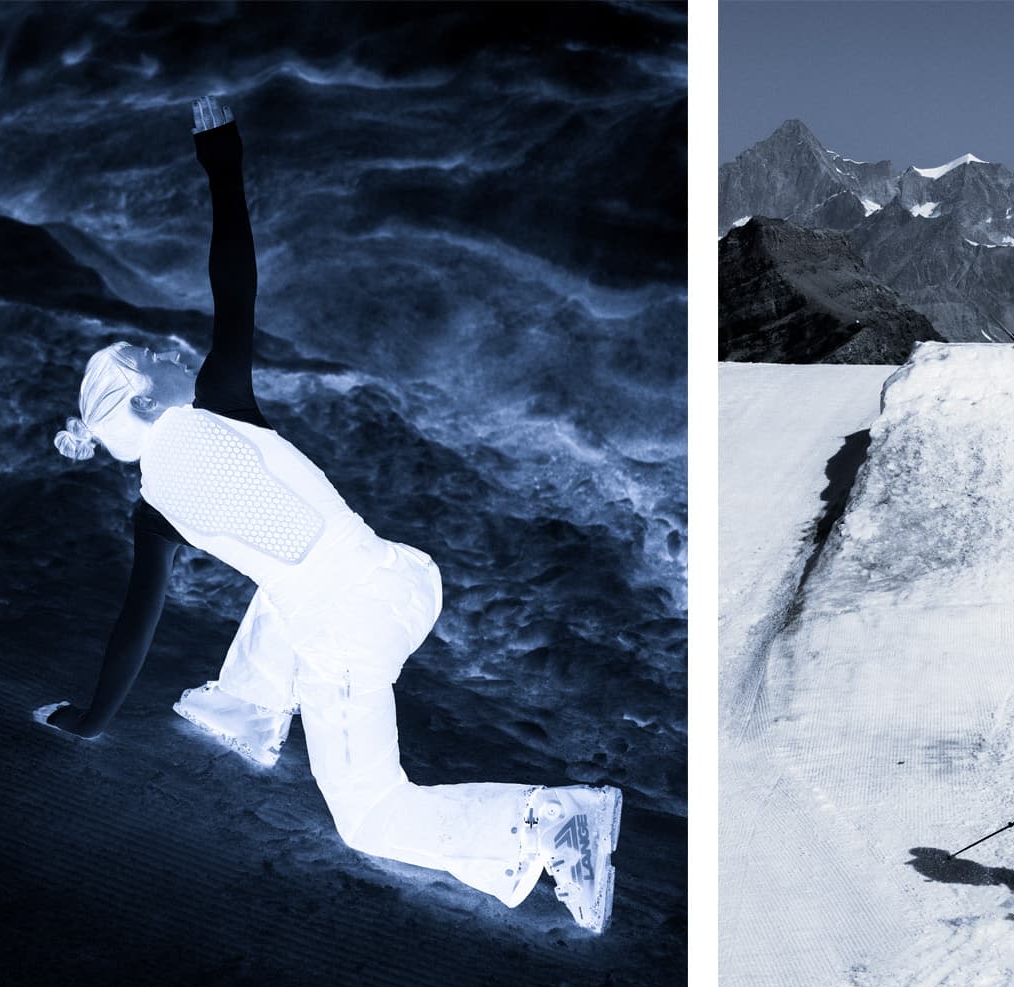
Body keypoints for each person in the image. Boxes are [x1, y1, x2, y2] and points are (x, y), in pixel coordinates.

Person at [37, 97, 620, 934]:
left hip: (351, 642)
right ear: (145, 396)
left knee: (368, 819)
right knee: (282, 582)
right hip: (402, 576)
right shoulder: (221, 401)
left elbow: (134, 629)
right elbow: (233, 275)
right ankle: (244, 709)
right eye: (147, 355)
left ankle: (550, 824)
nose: (164, 348)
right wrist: (223, 164)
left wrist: (91, 720)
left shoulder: (155, 512)